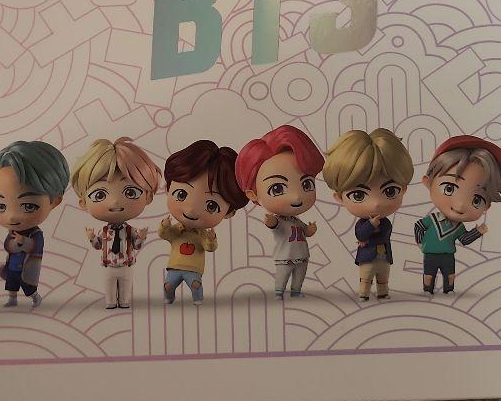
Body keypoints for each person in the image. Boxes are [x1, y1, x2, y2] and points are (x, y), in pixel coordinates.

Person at [415, 134, 501, 294]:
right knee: (428, 274)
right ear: (429, 182)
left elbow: (464, 239)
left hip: (448, 255)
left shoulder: (458, 227)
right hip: (430, 253)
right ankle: (427, 289)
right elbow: (419, 226)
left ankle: (449, 289)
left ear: (487, 205)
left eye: (477, 199)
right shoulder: (431, 220)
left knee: (450, 274)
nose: (460, 205)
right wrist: (420, 243)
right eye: (449, 188)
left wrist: (478, 232)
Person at [324, 128, 414, 301]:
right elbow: (360, 234)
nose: (376, 203)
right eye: (358, 195)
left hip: (383, 256)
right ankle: (364, 294)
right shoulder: (364, 224)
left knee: (383, 277)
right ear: (339, 198)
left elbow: (385, 233)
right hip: (367, 257)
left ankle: (383, 292)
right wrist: (371, 226)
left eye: (389, 191)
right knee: (365, 277)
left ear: (403, 189)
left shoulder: (385, 223)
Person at [235, 125, 324, 299]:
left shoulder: (296, 221)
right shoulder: (280, 220)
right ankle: (279, 292)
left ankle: (296, 291)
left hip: (301, 255)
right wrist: (270, 222)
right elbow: (275, 225)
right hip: (285, 257)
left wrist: (310, 230)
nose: (296, 196)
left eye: (306, 184)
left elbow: (304, 231)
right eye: (277, 188)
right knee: (282, 276)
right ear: (253, 194)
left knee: (299, 276)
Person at [72, 137, 161, 309]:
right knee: (109, 286)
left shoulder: (130, 231)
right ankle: (111, 302)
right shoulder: (104, 232)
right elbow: (98, 246)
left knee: (126, 285)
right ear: (83, 202)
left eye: (130, 192)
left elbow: (136, 245)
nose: (114, 202)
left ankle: (124, 301)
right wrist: (92, 237)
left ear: (148, 196)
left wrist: (142, 237)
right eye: (99, 195)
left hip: (126, 265)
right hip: (109, 265)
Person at [159, 139, 248, 305]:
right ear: (168, 188)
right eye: (181, 194)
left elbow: (210, 247)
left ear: (229, 212)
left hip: (194, 268)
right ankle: (168, 298)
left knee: (195, 285)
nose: (191, 210)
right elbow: (166, 234)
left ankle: (198, 300)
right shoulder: (177, 231)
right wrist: (164, 226)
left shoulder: (202, 235)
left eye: (211, 205)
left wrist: (211, 238)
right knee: (168, 285)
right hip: (174, 266)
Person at [0, 140, 69, 309]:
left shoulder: (35, 233)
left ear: (54, 201)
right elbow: (7, 245)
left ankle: (35, 297)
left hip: (27, 266)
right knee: (11, 282)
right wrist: (13, 245)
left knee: (28, 286)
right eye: (1, 206)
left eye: (28, 206)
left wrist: (25, 243)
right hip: (13, 265)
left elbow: (37, 246)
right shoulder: (11, 232)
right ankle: (12, 299)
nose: (12, 216)